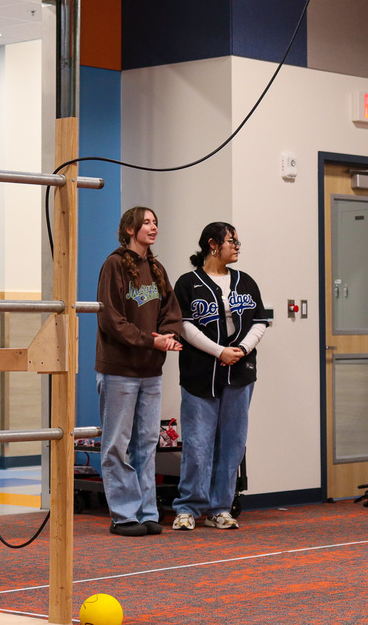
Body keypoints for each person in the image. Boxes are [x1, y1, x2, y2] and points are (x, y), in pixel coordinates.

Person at [171, 222, 268, 531]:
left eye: (238, 241)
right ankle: (188, 507)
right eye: (232, 241)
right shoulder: (188, 283)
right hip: (201, 374)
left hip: (240, 373)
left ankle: (220, 508)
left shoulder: (246, 282)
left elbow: (261, 321)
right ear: (213, 244)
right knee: (198, 444)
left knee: (233, 444)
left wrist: (241, 347)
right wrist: (218, 351)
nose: (237, 246)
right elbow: (184, 326)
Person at [95, 206, 182, 537]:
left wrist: (168, 336)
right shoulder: (114, 265)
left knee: (146, 442)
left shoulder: (157, 268)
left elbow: (171, 311)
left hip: (151, 371)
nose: (153, 227)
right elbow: (111, 319)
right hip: (119, 370)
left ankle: (147, 511)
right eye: (146, 222)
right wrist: (150, 341)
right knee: (117, 443)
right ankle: (123, 513)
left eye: (156, 222)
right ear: (130, 229)